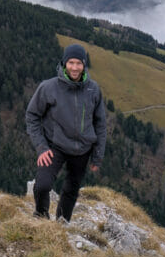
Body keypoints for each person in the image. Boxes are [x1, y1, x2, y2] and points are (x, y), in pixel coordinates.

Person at [25, 43, 107, 221]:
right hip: (55, 146)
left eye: (79, 63)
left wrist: (97, 156)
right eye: (71, 63)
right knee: (42, 186)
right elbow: (32, 116)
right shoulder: (49, 87)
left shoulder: (93, 90)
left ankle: (62, 223)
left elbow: (100, 124)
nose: (75, 68)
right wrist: (41, 146)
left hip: (83, 150)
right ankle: (41, 215)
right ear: (64, 63)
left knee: (71, 190)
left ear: (84, 65)